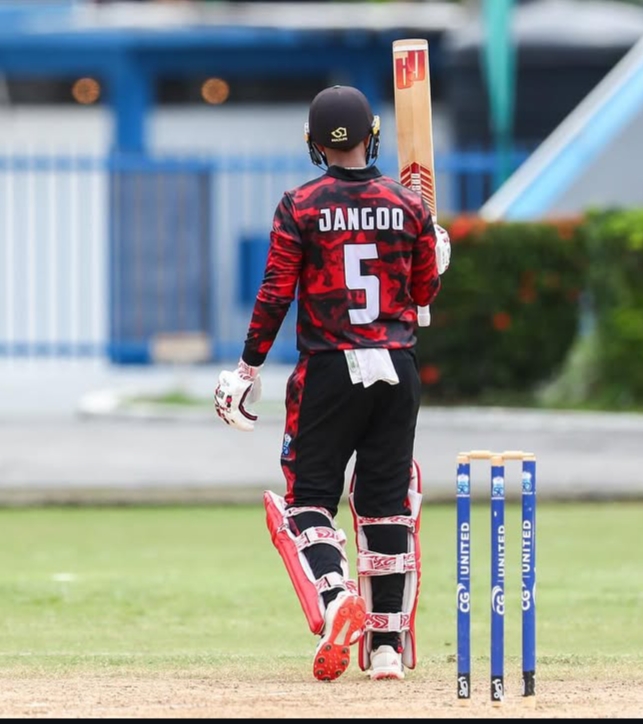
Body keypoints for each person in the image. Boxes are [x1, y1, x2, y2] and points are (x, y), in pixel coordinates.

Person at [214, 85, 451, 683]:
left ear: (314, 144)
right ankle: (389, 649)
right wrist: (437, 255)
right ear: (372, 134)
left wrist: (247, 368)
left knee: (308, 502)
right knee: (386, 506)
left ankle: (334, 596)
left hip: (329, 367)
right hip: (397, 366)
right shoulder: (409, 206)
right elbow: (423, 295)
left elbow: (275, 293)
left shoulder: (302, 204)